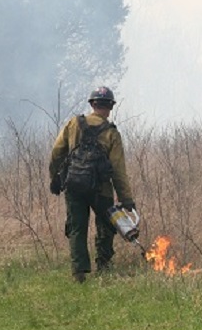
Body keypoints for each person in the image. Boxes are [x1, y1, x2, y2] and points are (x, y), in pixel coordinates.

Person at [49, 86, 136, 282]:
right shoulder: (112, 133)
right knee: (106, 227)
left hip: (74, 185)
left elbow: (56, 152)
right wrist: (126, 199)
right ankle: (103, 267)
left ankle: (79, 272)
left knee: (77, 227)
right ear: (110, 107)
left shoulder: (74, 124)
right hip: (101, 189)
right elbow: (118, 170)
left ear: (92, 104)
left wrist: (54, 177)